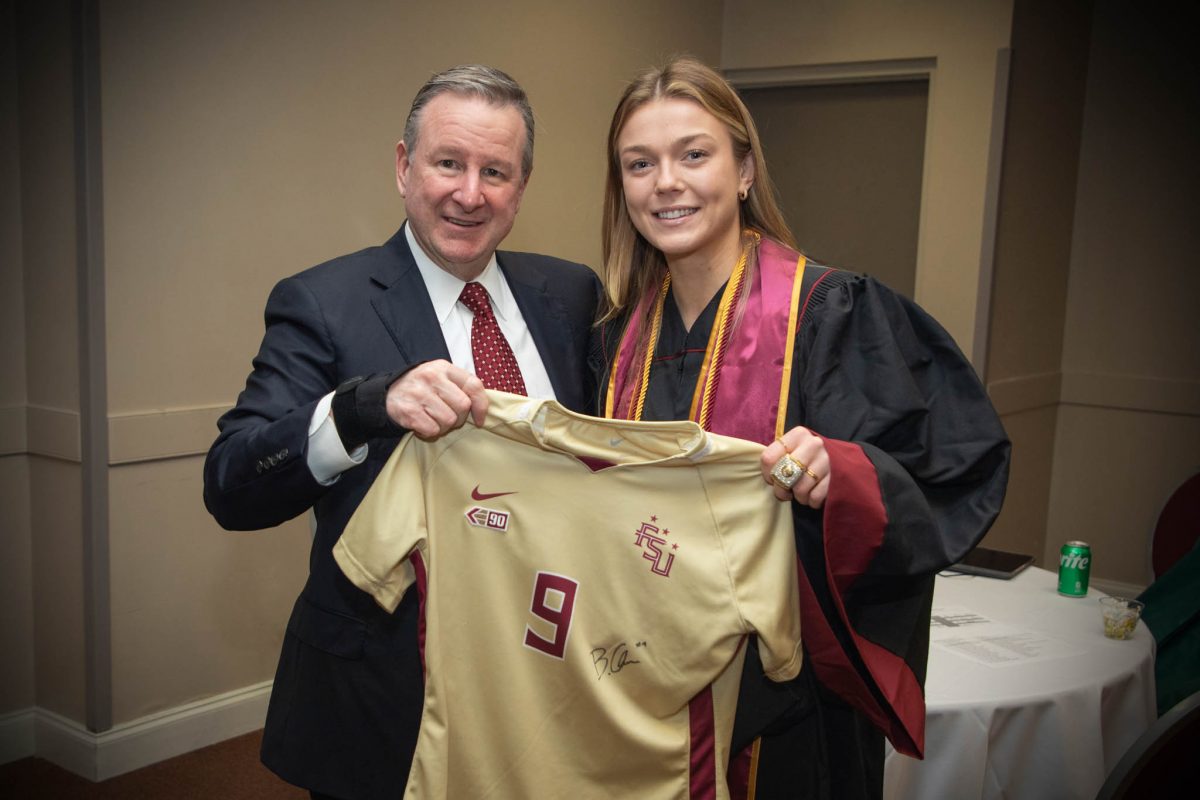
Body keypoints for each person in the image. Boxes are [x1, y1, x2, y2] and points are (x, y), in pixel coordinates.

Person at [591, 56, 1010, 799]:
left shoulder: (831, 313)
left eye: (694, 154)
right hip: (643, 685)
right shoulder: (616, 336)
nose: (667, 183)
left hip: (787, 708)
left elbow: (952, 469)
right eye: (640, 164)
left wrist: (842, 472)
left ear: (745, 168)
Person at [203, 65, 601, 800]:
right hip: (386, 694)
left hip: (548, 672)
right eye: (448, 162)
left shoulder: (571, 294)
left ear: (522, 187)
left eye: (496, 172)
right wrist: (360, 409)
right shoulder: (324, 302)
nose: (469, 193)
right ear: (403, 165)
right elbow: (230, 483)